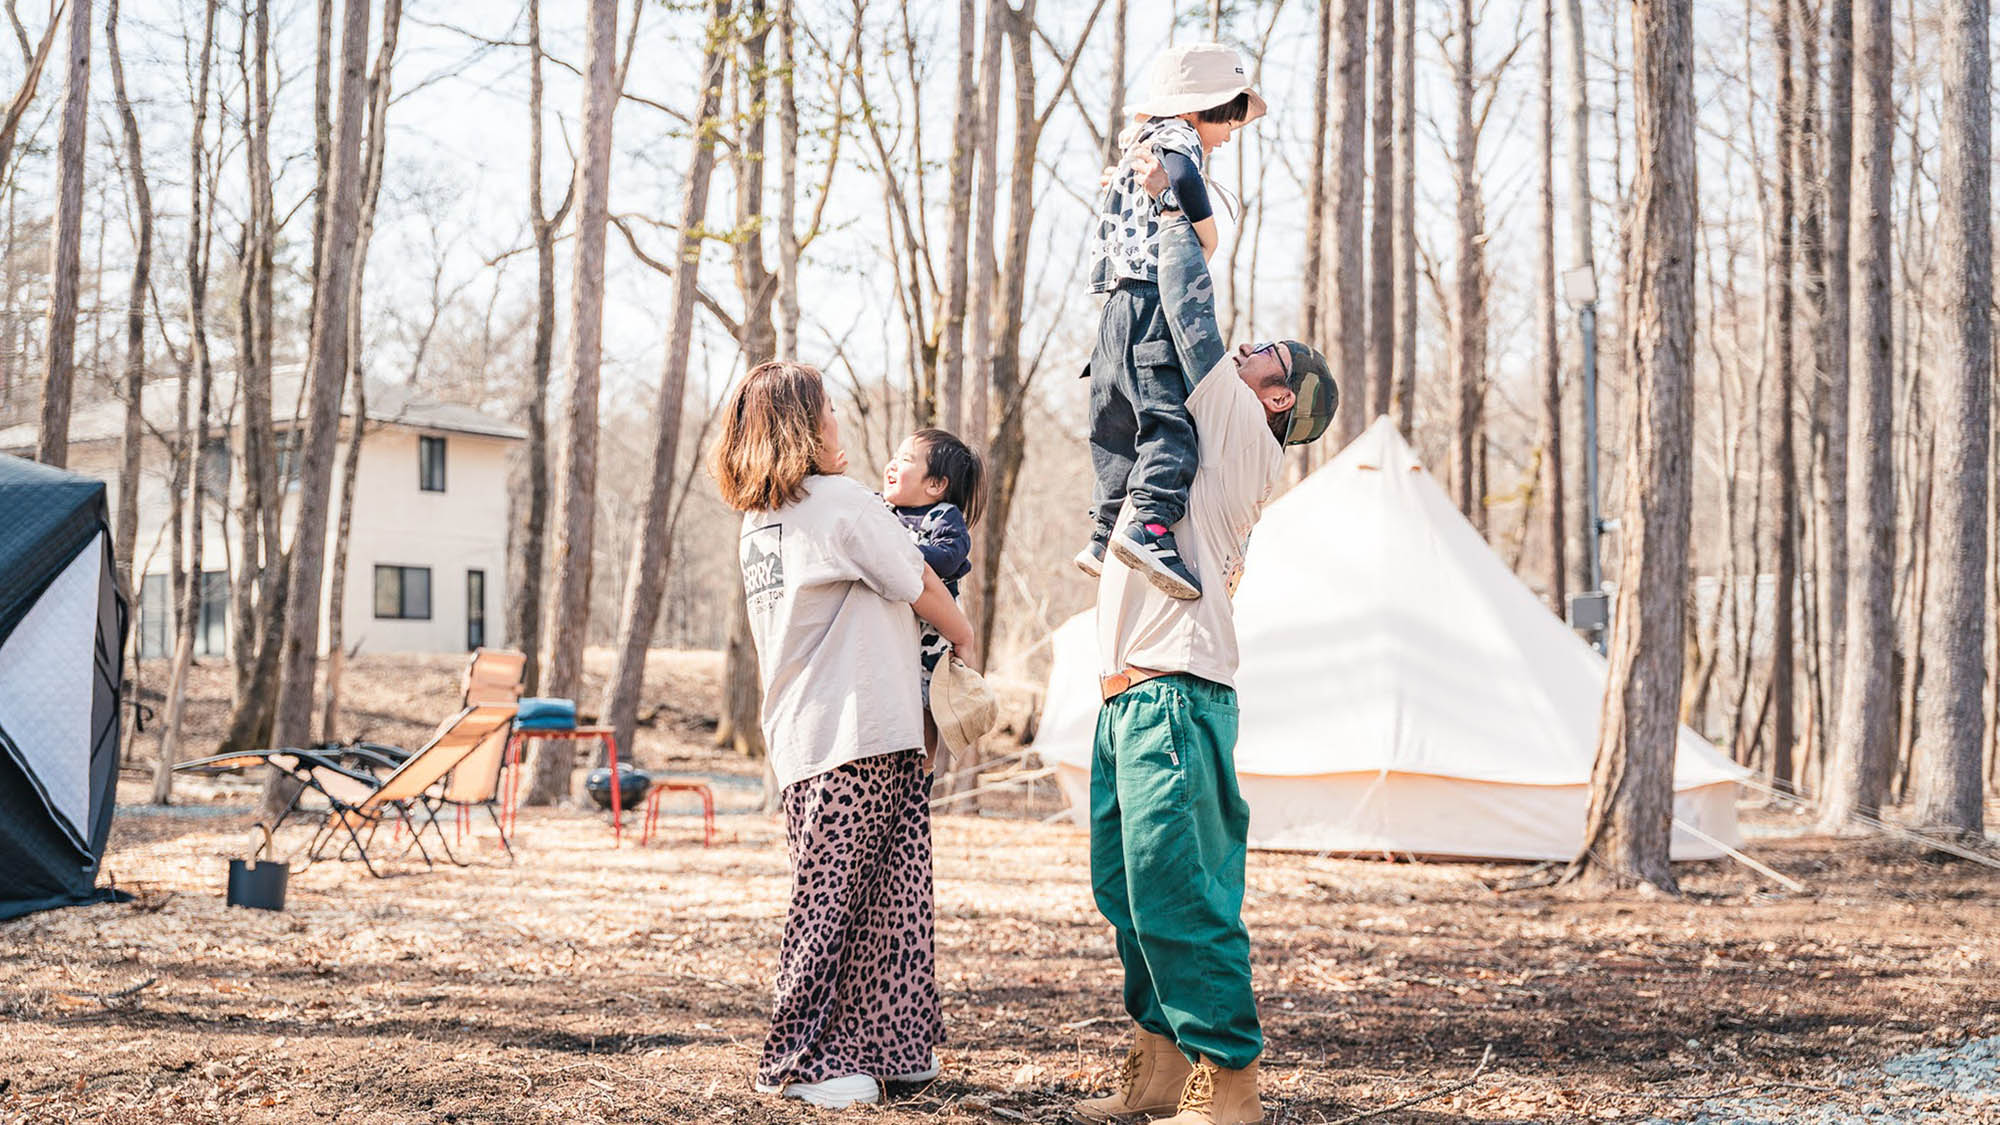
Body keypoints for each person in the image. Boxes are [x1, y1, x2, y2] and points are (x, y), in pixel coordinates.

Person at [1076, 164, 1338, 1125]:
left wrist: (1178, 212)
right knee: (1127, 888)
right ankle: (1154, 1064)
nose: (1251, 351)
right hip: (1128, 695)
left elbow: (1189, 315)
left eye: (1271, 356)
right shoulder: (1206, 426)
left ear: (1279, 402)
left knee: (1182, 890)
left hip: (1175, 692)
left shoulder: (1238, 431)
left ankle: (1227, 1081)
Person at [711, 360, 977, 1110]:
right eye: (826, 411)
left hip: (839, 733)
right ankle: (793, 1060)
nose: (838, 424)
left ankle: (890, 1046)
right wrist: (967, 638)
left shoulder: (764, 519)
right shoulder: (839, 503)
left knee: (889, 898)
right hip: (849, 733)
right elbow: (918, 580)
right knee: (834, 904)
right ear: (801, 426)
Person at [1080, 42, 1267, 602]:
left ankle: (1102, 531)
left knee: (1114, 424)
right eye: (1229, 116)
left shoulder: (1135, 148)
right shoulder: (1175, 141)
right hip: (1150, 299)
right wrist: (1206, 230)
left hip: (1113, 308)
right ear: (1198, 107)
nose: (1231, 131)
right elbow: (1184, 179)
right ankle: (1151, 527)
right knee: (1167, 420)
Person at [880, 427, 984, 711]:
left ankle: (927, 756)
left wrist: (907, 554)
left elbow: (950, 556)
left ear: (936, 485)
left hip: (936, 629)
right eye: (894, 456)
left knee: (930, 699)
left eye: (905, 459)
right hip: (898, 623)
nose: (892, 464)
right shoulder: (881, 510)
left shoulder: (943, 516)